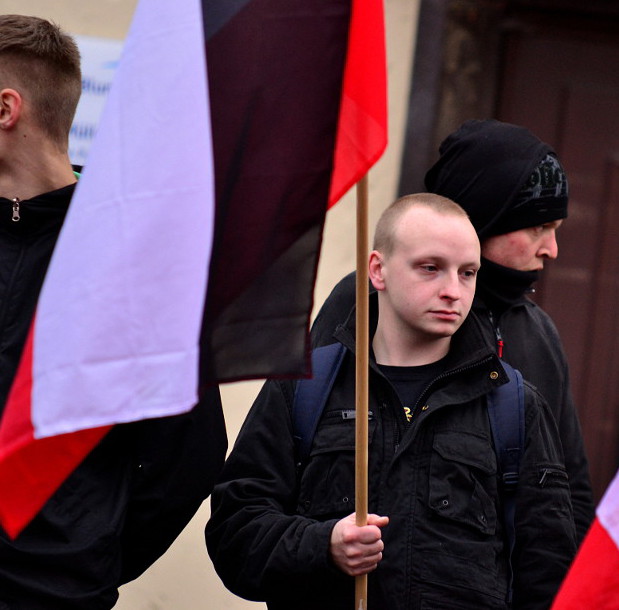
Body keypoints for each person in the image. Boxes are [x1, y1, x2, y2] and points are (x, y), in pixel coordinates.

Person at [206, 193, 577, 609]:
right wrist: (323, 544)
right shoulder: (304, 387)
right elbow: (234, 533)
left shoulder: (512, 405)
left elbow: (549, 574)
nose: (453, 290)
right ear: (378, 270)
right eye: (431, 268)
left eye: (468, 273)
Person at [0, 14, 227, 609]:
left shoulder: (134, 258)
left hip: (59, 594)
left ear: (6, 110)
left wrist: (91, 554)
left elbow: (189, 453)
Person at [311, 119, 595, 542]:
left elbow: (568, 490)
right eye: (538, 227)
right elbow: (288, 460)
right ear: (486, 217)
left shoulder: (538, 334)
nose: (550, 249)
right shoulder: (367, 303)